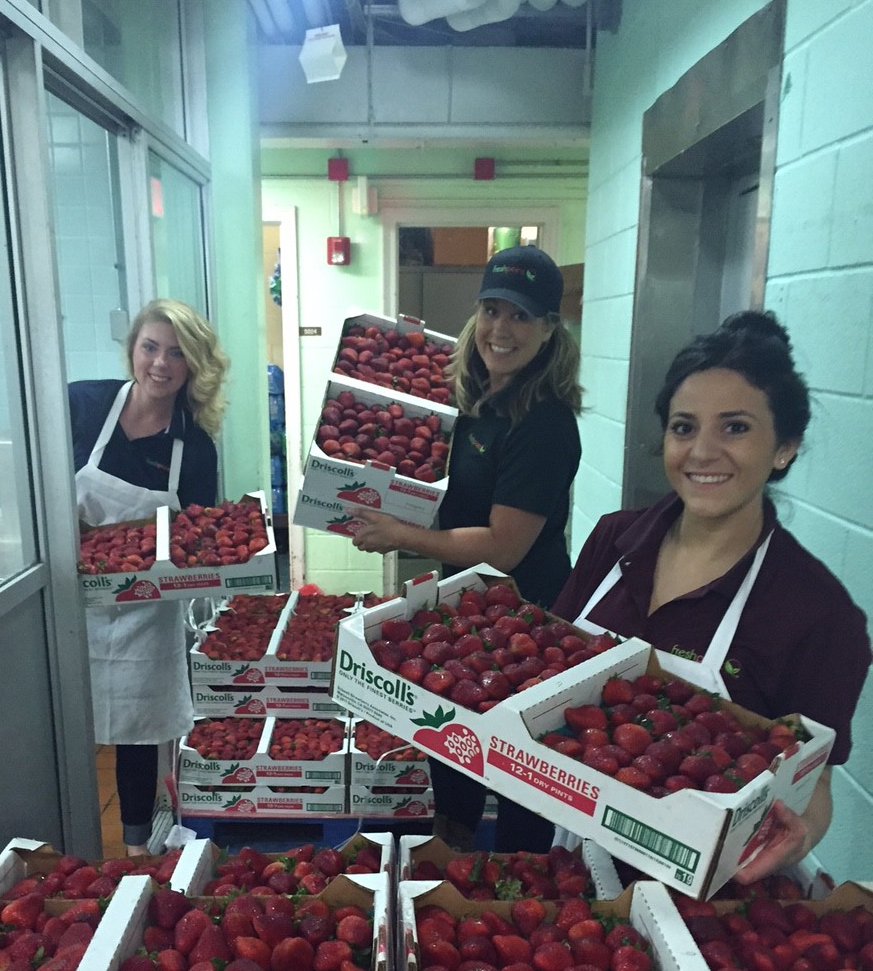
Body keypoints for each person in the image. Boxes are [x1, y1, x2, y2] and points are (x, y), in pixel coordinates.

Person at [553, 310, 871, 882]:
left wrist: (800, 831)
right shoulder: (612, 540)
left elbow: (813, 779)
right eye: (683, 427)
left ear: (785, 447)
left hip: (700, 896)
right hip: (563, 851)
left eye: (735, 427)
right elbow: (545, 676)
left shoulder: (818, 614)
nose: (702, 452)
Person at [352, 246, 582, 852]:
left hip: (527, 618)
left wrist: (400, 536)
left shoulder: (545, 423)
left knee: (517, 766)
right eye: (491, 309)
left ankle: (517, 889)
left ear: (550, 329)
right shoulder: (471, 400)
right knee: (450, 744)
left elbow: (503, 547)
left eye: (521, 316)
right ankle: (449, 860)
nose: (500, 329)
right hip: (467, 608)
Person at [70, 299, 229, 854]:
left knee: (138, 730)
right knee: (65, 721)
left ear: (194, 366)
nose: (160, 363)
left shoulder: (195, 449)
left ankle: (136, 846)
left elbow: (199, 543)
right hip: (72, 603)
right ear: (133, 349)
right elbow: (36, 481)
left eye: (177, 353)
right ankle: (60, 840)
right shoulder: (82, 405)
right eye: (150, 347)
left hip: (146, 610)